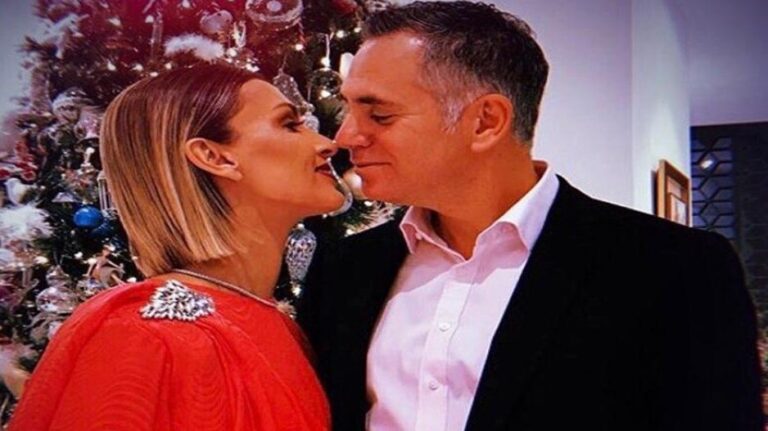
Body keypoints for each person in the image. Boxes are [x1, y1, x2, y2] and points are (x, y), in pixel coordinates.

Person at [298, 2, 763, 430]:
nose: (345, 136)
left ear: (486, 121)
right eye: (348, 109)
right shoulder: (345, 270)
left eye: (379, 115)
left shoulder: (674, 268)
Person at [10, 64, 343, 430]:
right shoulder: (140, 335)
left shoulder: (282, 326)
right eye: (290, 124)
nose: (327, 144)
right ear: (215, 157)